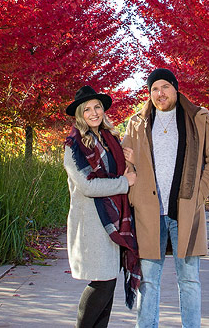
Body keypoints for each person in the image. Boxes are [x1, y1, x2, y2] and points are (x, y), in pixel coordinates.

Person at [122, 68, 209, 328]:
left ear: (175, 88)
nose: (160, 93)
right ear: (149, 94)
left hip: (185, 213)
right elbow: (125, 164)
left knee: (189, 280)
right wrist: (134, 189)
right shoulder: (137, 123)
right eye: (154, 89)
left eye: (165, 87)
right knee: (148, 281)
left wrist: (199, 193)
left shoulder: (198, 118)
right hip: (149, 213)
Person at [63, 85, 141, 328]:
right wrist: (123, 183)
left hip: (112, 223)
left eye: (97, 107)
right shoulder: (74, 146)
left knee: (109, 285)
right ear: (79, 114)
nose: (94, 112)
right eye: (87, 109)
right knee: (102, 284)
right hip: (91, 225)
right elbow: (88, 187)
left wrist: (130, 164)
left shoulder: (110, 141)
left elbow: (129, 176)